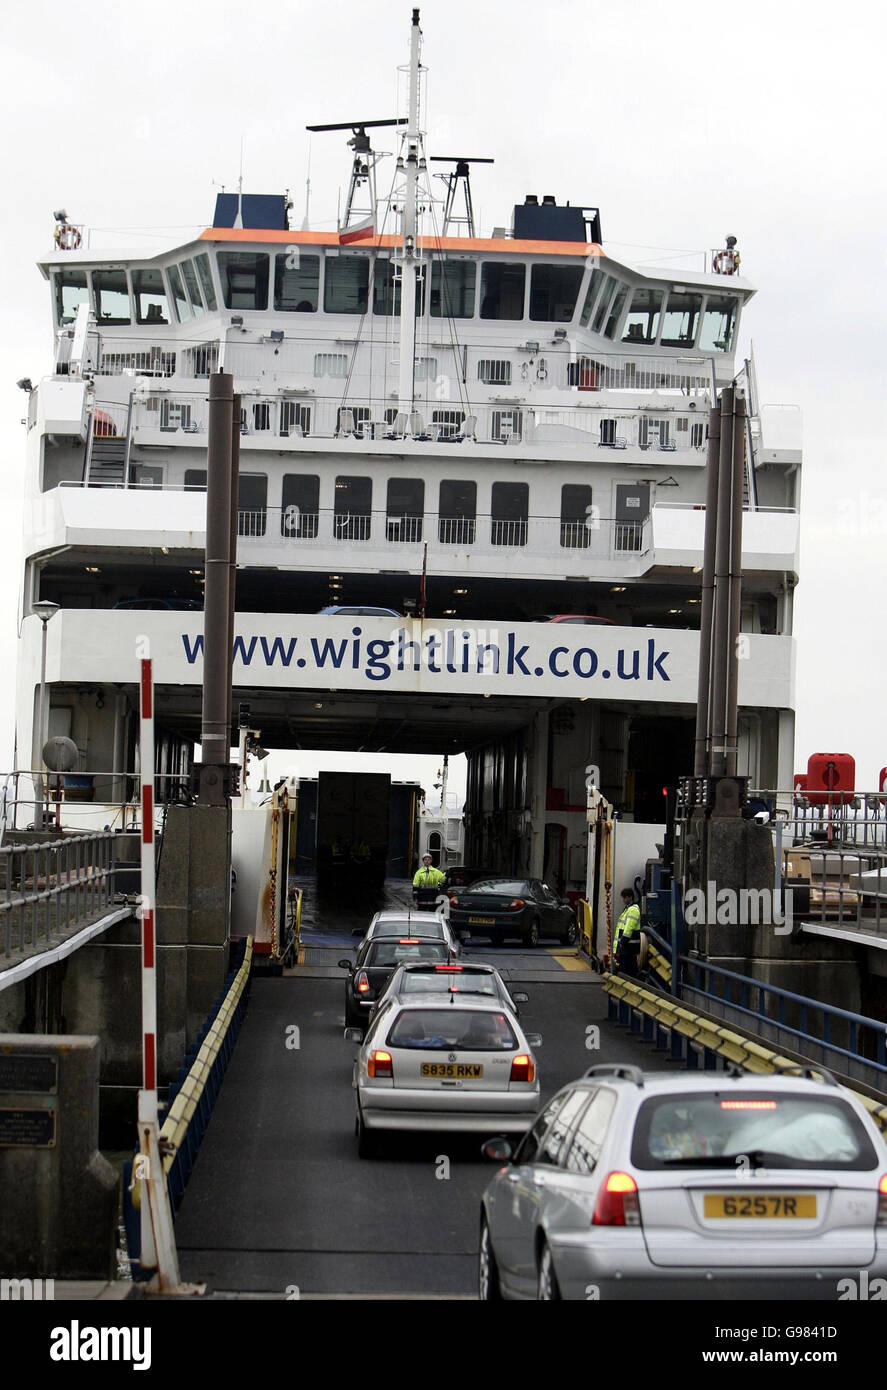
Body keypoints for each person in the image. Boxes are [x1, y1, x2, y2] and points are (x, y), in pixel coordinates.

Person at [613, 888, 642, 976]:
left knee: (627, 970)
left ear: (630, 897)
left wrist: (623, 940)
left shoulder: (633, 910)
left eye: (625, 897)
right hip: (627, 946)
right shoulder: (628, 909)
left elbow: (629, 927)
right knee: (627, 968)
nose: (623, 900)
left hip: (629, 946)